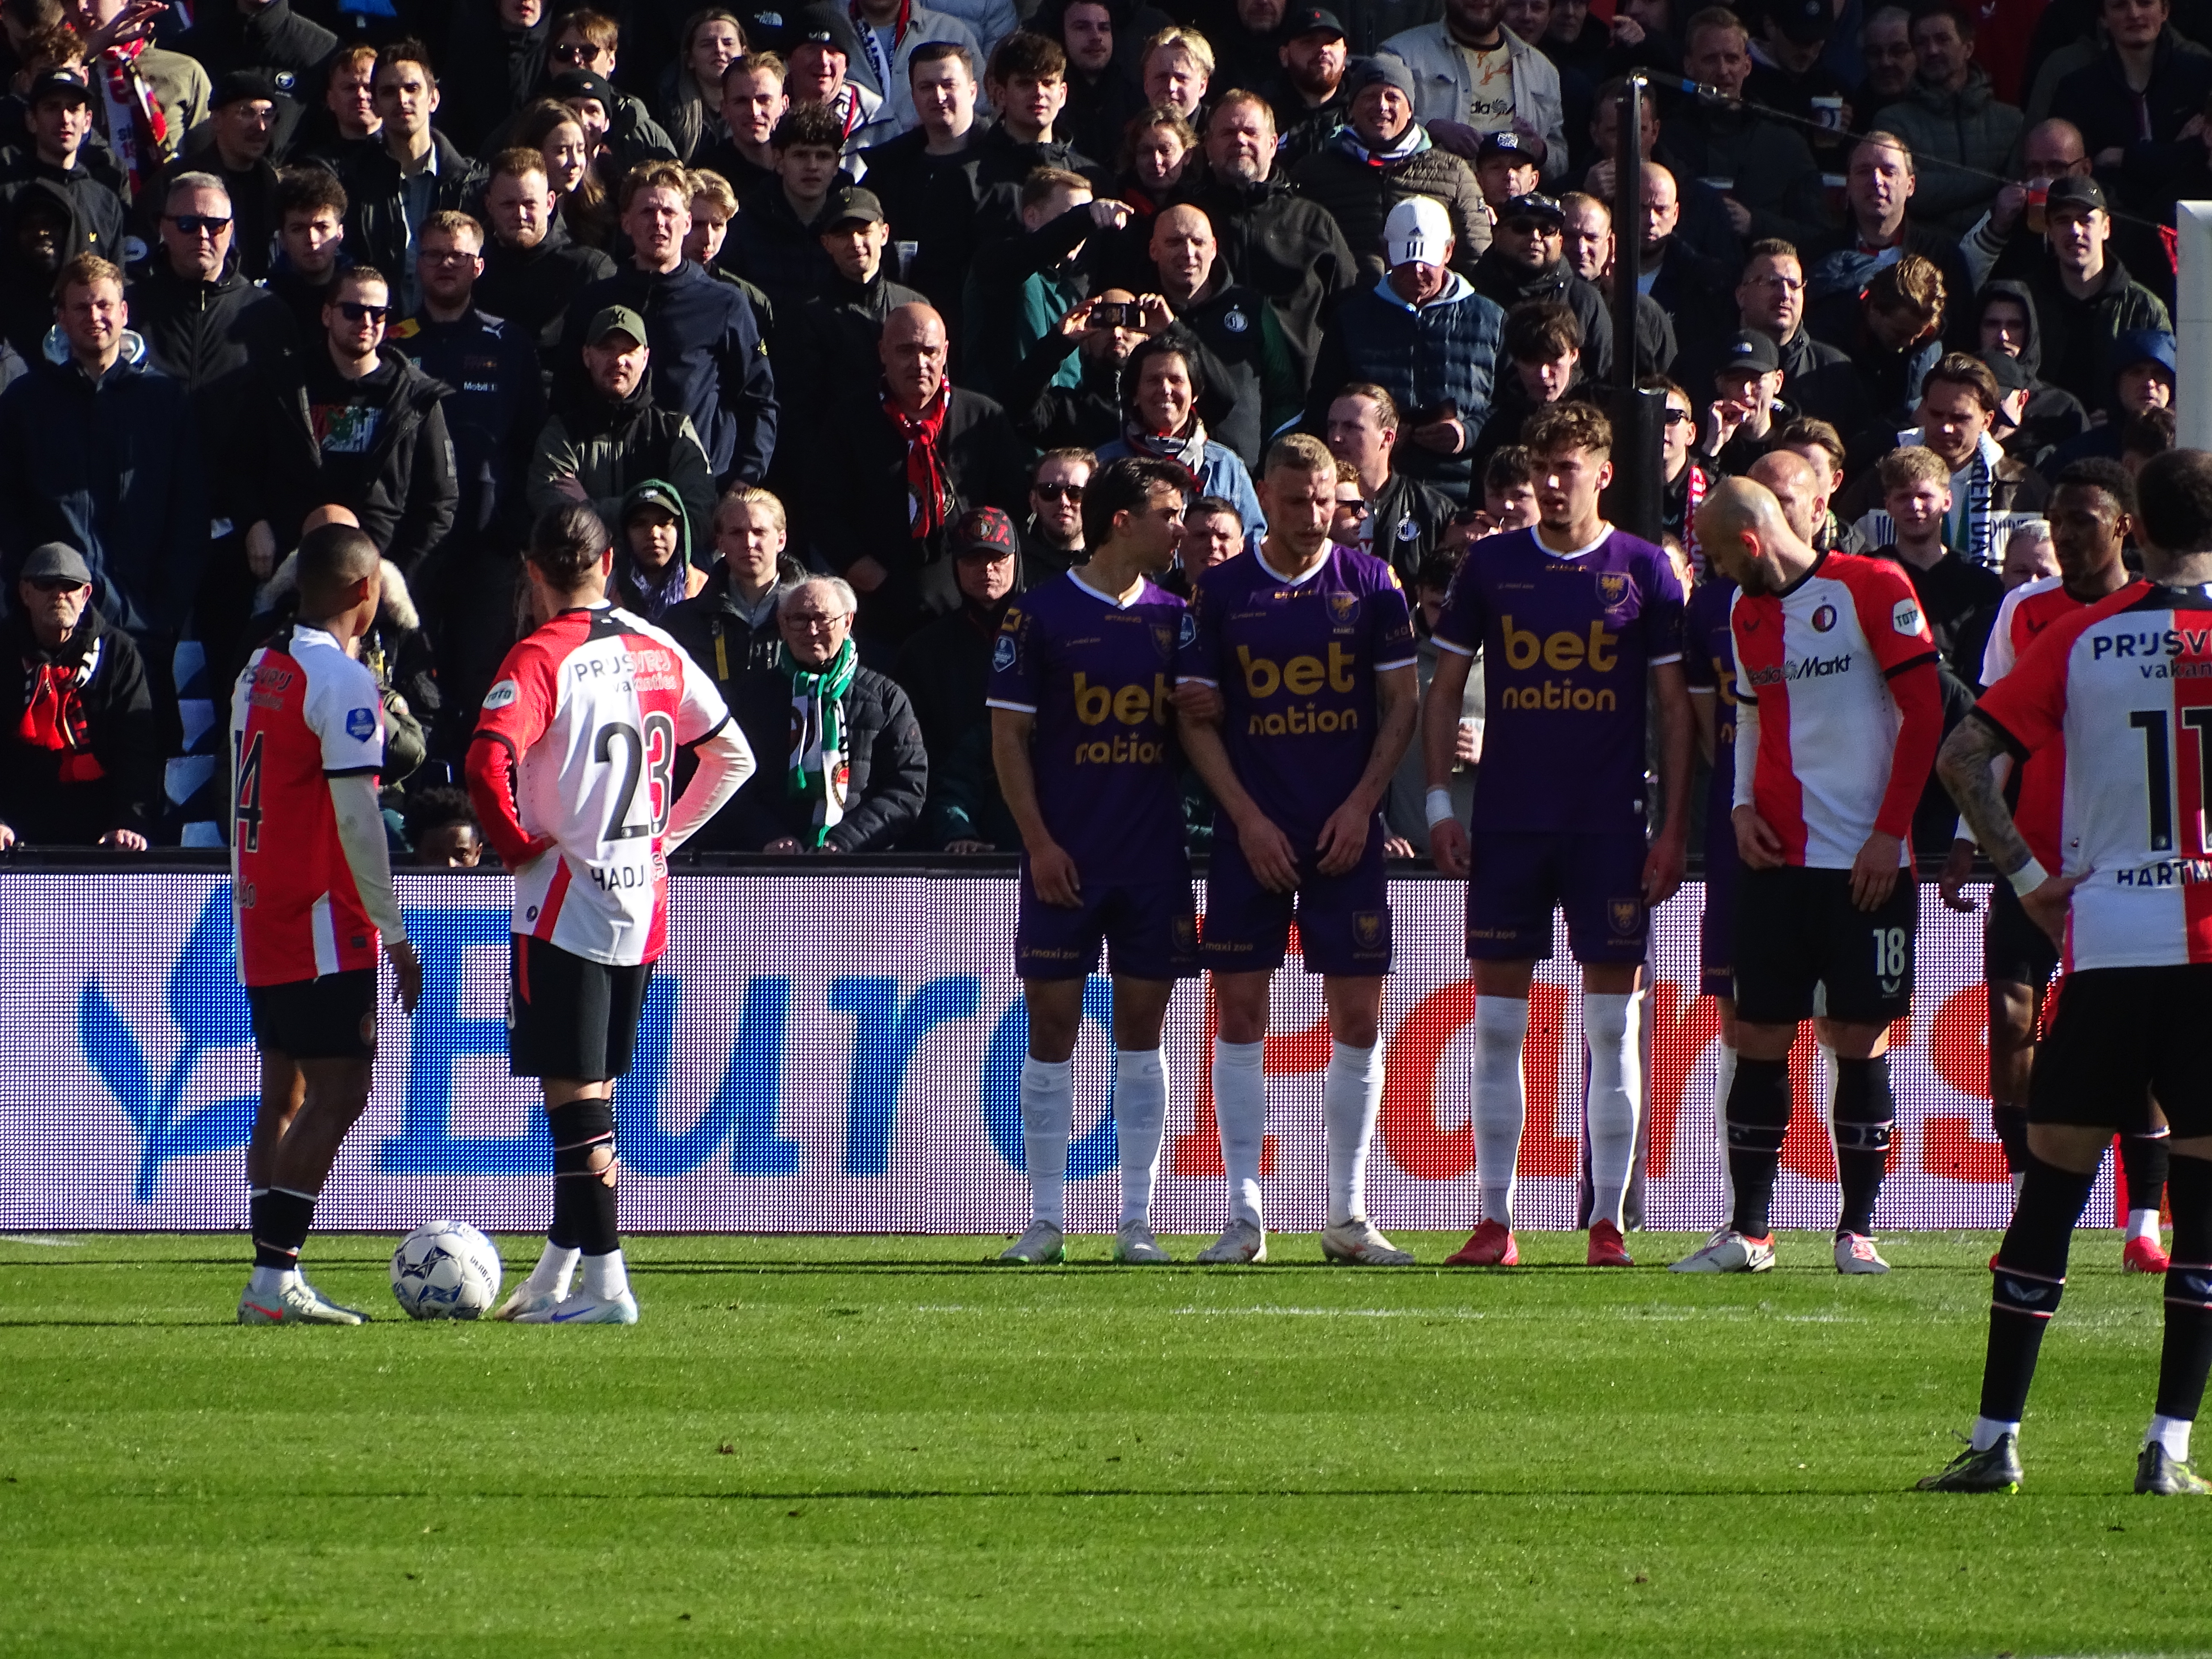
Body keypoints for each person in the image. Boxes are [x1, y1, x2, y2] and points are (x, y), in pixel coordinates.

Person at [1919, 445, 2212, 1498]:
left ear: (2134, 523)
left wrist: (2031, 877)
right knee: (2205, 1216)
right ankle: (2166, 1448)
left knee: (2046, 1198)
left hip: (2108, 944)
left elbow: (1962, 756)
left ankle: (1995, 1439)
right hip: (2207, 955)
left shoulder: (2081, 637)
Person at [1423, 401, 1691, 1268]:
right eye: (1541, 467)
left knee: (1612, 1025)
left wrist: (1672, 827)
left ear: (1604, 474)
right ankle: (1495, 1220)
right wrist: (1437, 804)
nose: (1548, 483)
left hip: (1608, 828)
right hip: (1506, 823)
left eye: (1565, 468)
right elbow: (1443, 685)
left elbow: (1675, 711)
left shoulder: (1644, 571)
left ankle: (1606, 1222)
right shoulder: (1493, 567)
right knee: (1498, 1023)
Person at [1673, 475, 1943, 1275]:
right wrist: (1736, 807)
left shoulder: (1871, 586)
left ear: (1749, 544)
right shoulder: (1742, 611)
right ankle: (1747, 1231)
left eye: (1721, 557)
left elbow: (1924, 713)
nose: (1719, 573)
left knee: (1857, 1037)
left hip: (1865, 864)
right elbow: (1751, 713)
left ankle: (1854, 1228)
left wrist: (1885, 835)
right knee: (1754, 1033)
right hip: (1775, 861)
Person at [1173, 432, 1421, 1265]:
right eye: (1295, 502)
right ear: (1264, 502)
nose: (1314, 516)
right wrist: (1244, 818)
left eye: (1326, 502)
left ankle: (1348, 1213)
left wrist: (1363, 809)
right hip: (1257, 835)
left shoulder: (1371, 583)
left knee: (1358, 1014)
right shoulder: (1223, 593)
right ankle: (1244, 1215)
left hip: (1345, 835)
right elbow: (1196, 721)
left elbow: (1402, 706)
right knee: (1239, 1010)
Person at [1936, 457, 2171, 1272]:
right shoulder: (2023, 611)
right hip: (2034, 856)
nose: (2065, 535)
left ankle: (2142, 1216)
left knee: (2138, 1043)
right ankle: (2022, 1189)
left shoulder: (2155, 616)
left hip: (2122, 862)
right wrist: (1973, 840)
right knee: (2010, 1016)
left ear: (2123, 528)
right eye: (2055, 520)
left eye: (2082, 520)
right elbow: (1990, 736)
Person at [984, 458, 1194, 1261]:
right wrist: (1037, 842)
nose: (1179, 528)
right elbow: (1008, 739)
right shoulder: (1034, 618)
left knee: (1143, 1034)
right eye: (1167, 513)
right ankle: (1044, 1219)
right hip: (1064, 857)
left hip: (1151, 859)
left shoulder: (1178, 618)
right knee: (1052, 1026)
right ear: (1121, 520)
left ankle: (1135, 1221)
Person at [230, 521, 422, 1324]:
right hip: (317, 916)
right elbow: (358, 819)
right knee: (342, 1088)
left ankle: (268, 1268)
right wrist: (399, 932)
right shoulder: (341, 682)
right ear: (364, 593)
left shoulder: (260, 666)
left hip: (261, 908)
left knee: (286, 1089)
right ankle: (276, 1278)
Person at [0, 253, 204, 662]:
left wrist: (165, 609)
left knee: (148, 728)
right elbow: (9, 510)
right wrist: (29, 598)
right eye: (81, 307)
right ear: (61, 317)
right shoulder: (26, 403)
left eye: (104, 305)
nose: (94, 316)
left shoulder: (164, 402)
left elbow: (188, 511)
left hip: (145, 625)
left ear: (124, 312)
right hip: (51, 625)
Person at [803, 299, 1031, 646]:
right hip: (878, 611)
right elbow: (822, 511)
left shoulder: (984, 418)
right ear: (883, 352)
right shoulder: (849, 421)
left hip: (972, 610)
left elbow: (1013, 506)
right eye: (906, 350)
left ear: (945, 354)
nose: (920, 363)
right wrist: (872, 577)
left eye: (930, 351)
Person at [568, 156, 777, 487]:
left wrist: (746, 478)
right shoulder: (593, 302)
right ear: (626, 222)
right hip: (611, 488)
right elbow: (568, 398)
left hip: (700, 491)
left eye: (669, 213)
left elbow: (759, 400)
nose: (659, 222)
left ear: (686, 221)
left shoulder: (725, 304)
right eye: (647, 212)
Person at [1304, 195, 1505, 502]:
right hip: (1374, 492)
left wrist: (1467, 434)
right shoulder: (1352, 318)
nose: (1418, 270)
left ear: (1449, 251)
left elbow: (1509, 405)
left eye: (1427, 259)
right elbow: (1323, 403)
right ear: (1386, 252)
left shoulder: (1491, 318)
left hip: (1465, 491)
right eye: (1407, 260)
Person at [714, 573, 928, 851]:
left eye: (823, 619)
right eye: (799, 619)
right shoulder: (750, 699)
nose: (811, 630)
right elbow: (727, 779)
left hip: (861, 869)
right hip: (769, 866)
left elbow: (907, 789)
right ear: (782, 624)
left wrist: (846, 842)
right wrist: (768, 837)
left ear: (848, 622)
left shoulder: (886, 698)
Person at [1183, 91, 1356, 392]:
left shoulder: (1312, 222)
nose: (1240, 141)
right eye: (1227, 133)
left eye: (1250, 132)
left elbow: (1348, 313)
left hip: (1300, 395)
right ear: (1208, 146)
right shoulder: (1189, 220)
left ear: (1273, 144)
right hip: (1211, 392)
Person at [294, 263, 458, 578]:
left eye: (378, 313)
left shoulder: (416, 396)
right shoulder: (288, 386)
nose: (366, 322)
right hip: (299, 569)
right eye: (354, 311)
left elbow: (440, 502)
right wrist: (256, 526)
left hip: (382, 574)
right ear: (327, 315)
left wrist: (399, 574)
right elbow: (248, 468)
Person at [0, 541, 157, 849]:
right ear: (25, 593)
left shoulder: (119, 653)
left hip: (99, 827)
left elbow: (137, 745)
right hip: (13, 825)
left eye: (70, 586)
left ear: (86, 595)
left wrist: (129, 820)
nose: (60, 595)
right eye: (46, 584)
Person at [1835, 353, 2051, 570]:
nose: (1946, 428)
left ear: (1987, 421)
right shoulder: (1880, 480)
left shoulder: (2024, 489)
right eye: (1936, 414)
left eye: (1959, 418)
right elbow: (1841, 556)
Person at [1287, 55, 1489, 287]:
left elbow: (1477, 254)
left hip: (1427, 309)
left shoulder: (1453, 171)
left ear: (1411, 109)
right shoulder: (1313, 172)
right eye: (1370, 96)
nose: (1381, 106)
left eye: (1393, 97)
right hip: (1342, 310)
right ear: (1352, 107)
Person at [529, 303, 717, 552]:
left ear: (646, 357)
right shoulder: (562, 432)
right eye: (606, 348)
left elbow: (697, 521)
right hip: (585, 579)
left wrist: (589, 506)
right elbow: (555, 519)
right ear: (587, 356)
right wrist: (653, 516)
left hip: (659, 584)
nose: (618, 360)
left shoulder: (675, 432)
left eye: (629, 350)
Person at [896, 504, 1023, 852]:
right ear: (955, 566)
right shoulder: (924, 649)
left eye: (998, 559)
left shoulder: (1049, 635)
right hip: (946, 802)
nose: (987, 570)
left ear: (1016, 560)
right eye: (973, 560)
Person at [340, 42, 488, 320]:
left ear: (433, 99)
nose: (402, 99)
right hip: (381, 335)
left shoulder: (473, 184)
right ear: (376, 105)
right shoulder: (352, 183)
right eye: (388, 92)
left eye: (412, 89)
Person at [1659, 7, 1826, 247]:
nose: (1723, 71)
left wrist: (1756, 224)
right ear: (1689, 66)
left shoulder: (1785, 141)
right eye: (1710, 59)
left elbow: (1819, 234)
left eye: (1732, 59)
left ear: (1747, 65)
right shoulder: (1667, 139)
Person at [1095, 334, 1265, 547]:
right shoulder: (1106, 465)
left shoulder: (1226, 466)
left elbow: (1254, 544)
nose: (1166, 390)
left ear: (1194, 393)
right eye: (1153, 380)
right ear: (1135, 394)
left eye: (1176, 380)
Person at [2020, 175, 2170, 412]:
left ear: (2106, 228)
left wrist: (2118, 423)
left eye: (2085, 220)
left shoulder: (2144, 308)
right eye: (2062, 220)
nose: (2074, 230)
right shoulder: (2025, 301)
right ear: (2049, 230)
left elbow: (2166, 388)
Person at [1871, 3, 2023, 234]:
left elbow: (2018, 197)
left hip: (2001, 253)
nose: (1932, 50)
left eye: (1943, 39)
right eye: (1922, 43)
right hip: (1925, 257)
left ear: (1968, 48)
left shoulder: (2011, 122)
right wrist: (1994, 181)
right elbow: (1912, 193)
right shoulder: (1894, 121)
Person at [1379, 0, 1569, 183]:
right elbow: (1372, 134)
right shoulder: (1401, 56)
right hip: (1432, 202)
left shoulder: (1543, 71)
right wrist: (1430, 131)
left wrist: (1541, 150)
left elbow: (1561, 162)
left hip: (1515, 211)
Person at [1868, 445, 2005, 684]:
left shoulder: (1981, 585)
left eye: (1925, 496)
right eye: (1903, 497)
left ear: (1947, 501)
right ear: (1888, 505)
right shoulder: (1869, 575)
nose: (1915, 507)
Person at [477, 146, 617, 378]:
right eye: (508, 204)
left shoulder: (588, 270)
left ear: (550, 203)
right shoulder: (473, 270)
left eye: (530, 204)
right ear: (489, 205)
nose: (520, 215)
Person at [667, 483, 806, 696]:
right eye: (736, 533)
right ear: (720, 543)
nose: (749, 543)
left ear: (781, 540)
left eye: (759, 532)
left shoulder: (814, 618)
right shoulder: (682, 623)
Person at [1469, 189, 1612, 379]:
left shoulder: (1584, 300)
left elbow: (1602, 378)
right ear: (1498, 235)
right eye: (1522, 227)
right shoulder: (1471, 295)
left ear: (1560, 241)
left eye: (1547, 229)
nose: (1535, 237)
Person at [1324, 382, 1456, 583]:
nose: (1336, 437)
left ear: (1387, 438)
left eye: (1351, 427)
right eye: (1332, 426)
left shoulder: (1433, 511)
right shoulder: (1314, 504)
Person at [0, 65, 125, 264]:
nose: (65, 119)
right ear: (32, 120)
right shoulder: (7, 193)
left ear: (87, 122)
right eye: (52, 108)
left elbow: (115, 280)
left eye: (74, 108)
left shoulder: (105, 202)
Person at [264, 165, 349, 343]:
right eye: (298, 229)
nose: (312, 239)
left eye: (322, 227)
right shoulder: (265, 303)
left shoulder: (361, 295)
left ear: (340, 234)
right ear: (283, 239)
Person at [695, 50, 790, 198]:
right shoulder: (705, 174)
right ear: (725, 109)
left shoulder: (802, 166)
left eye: (764, 100)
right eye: (741, 101)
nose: (754, 112)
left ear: (784, 105)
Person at [1021, 447, 1092, 578]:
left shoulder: (1113, 563)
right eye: (1049, 491)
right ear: (1033, 501)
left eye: (1075, 493)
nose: (1064, 502)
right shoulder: (1013, 565)